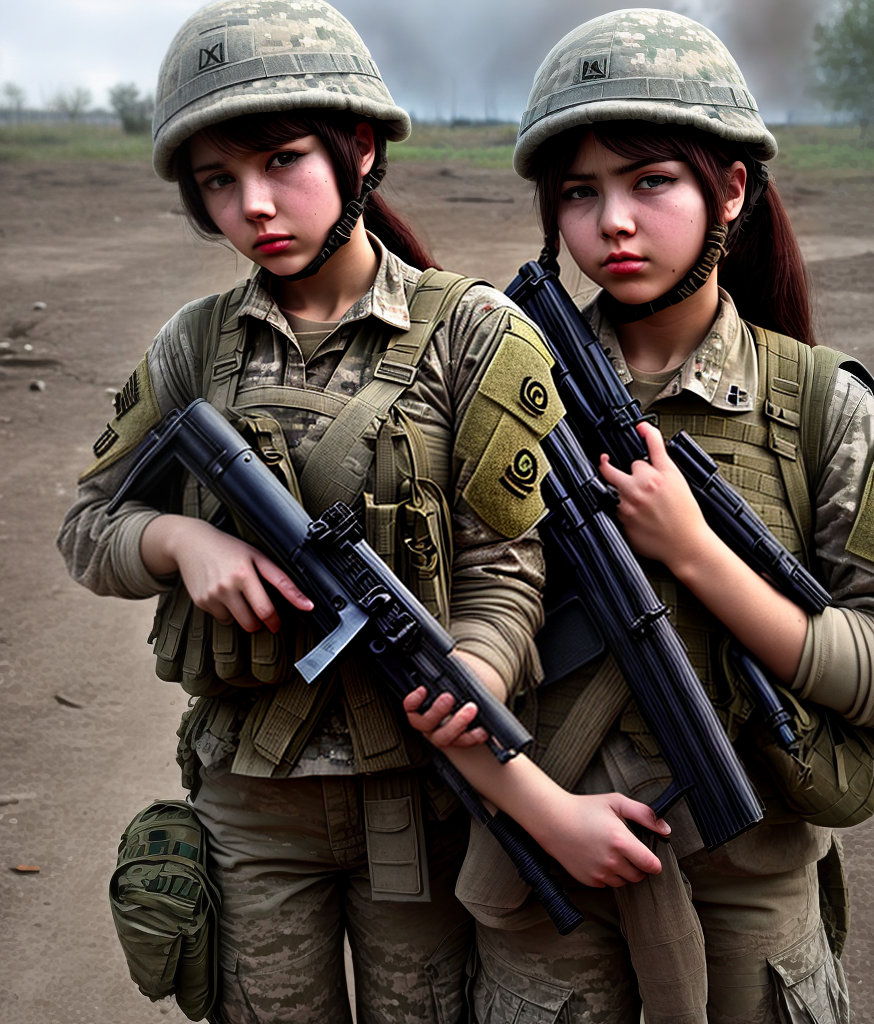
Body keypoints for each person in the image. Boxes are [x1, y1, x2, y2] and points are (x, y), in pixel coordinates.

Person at [57, 3, 669, 1022]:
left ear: (360, 151)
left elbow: (508, 563)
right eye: (218, 179)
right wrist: (176, 539)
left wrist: (471, 670)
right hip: (251, 798)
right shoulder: (194, 345)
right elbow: (88, 525)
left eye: (283, 160)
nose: (254, 204)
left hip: (418, 800)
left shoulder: (468, 332)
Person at [441, 10, 874, 1024]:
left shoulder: (820, 406)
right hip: (547, 869)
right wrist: (535, 805)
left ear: (729, 189)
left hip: (749, 878)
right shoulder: (500, 385)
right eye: (580, 193)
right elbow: (449, 629)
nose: (612, 223)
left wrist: (693, 550)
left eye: (649, 182)